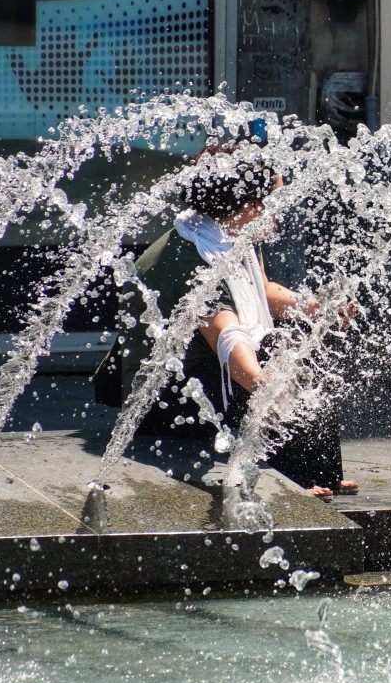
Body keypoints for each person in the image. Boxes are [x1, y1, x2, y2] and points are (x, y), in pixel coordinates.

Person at [95, 144, 357, 501]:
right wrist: (269, 384)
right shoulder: (196, 259)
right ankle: (292, 481)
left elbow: (263, 291)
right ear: (252, 207)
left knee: (297, 346)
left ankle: (321, 469)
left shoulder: (229, 229)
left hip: (199, 372)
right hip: (167, 404)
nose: (281, 213)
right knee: (273, 360)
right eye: (276, 202)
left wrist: (317, 307)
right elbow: (230, 339)